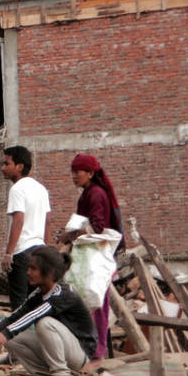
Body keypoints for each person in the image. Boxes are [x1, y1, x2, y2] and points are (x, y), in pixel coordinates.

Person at [0, 245, 96, 376]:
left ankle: (62, 375)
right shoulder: (38, 293)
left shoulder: (63, 293)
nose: (28, 272)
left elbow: (35, 315)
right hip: (64, 349)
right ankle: (44, 375)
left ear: (50, 273)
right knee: (11, 340)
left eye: (33, 269)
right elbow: (15, 317)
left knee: (44, 323)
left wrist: (6, 333)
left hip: (80, 354)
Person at [57, 153, 122, 360]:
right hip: (89, 257)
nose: (74, 176)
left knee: (96, 303)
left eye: (78, 172)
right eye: (72, 172)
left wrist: (69, 236)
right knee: (89, 302)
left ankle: (97, 351)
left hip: (96, 258)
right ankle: (90, 348)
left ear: (90, 173)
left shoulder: (95, 194)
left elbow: (97, 226)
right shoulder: (87, 193)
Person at [1, 146, 51, 310]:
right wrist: (46, 251)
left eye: (7, 164)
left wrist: (8, 253)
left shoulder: (17, 189)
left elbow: (18, 221)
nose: (3, 168)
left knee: (19, 305)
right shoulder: (41, 189)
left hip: (22, 253)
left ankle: (19, 328)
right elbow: (47, 222)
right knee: (36, 303)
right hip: (39, 251)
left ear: (19, 166)